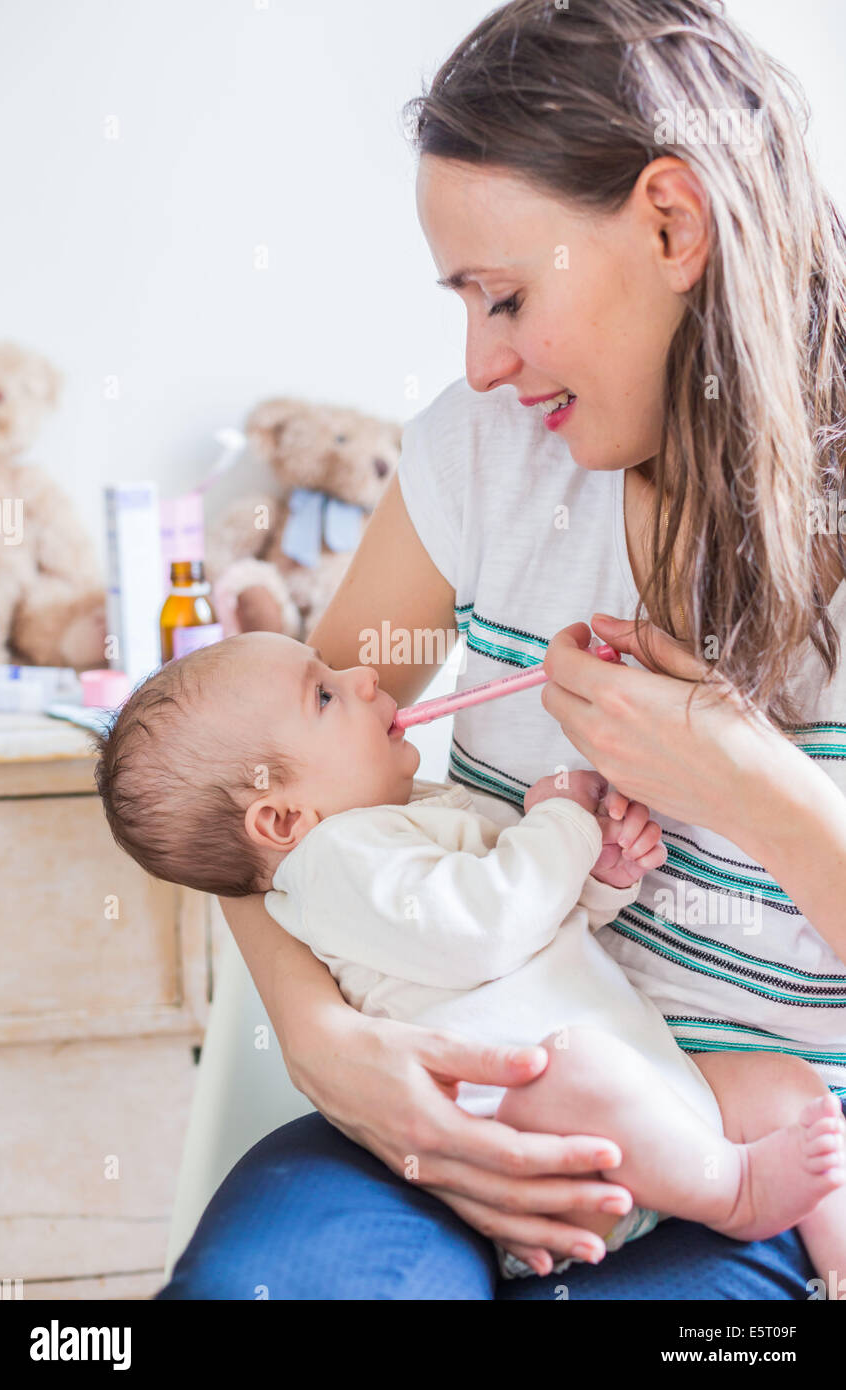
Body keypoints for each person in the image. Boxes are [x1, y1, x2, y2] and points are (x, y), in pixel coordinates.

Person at [157, 0, 846, 1299]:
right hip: (438, 1107)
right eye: (464, 305)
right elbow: (251, 781)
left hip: (743, 1153)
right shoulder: (481, 456)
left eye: (508, 297)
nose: (477, 365)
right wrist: (322, 1043)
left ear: (670, 225)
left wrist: (746, 781)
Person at [93, 631, 846, 1282]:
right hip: (541, 1141)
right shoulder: (335, 863)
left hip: (648, 1099)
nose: (363, 678)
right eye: (324, 696)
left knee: (785, 1087)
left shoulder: (401, 816)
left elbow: (534, 933)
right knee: (582, 1065)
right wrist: (559, 821)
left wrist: (600, 876)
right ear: (283, 817)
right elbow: (486, 928)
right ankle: (738, 1193)